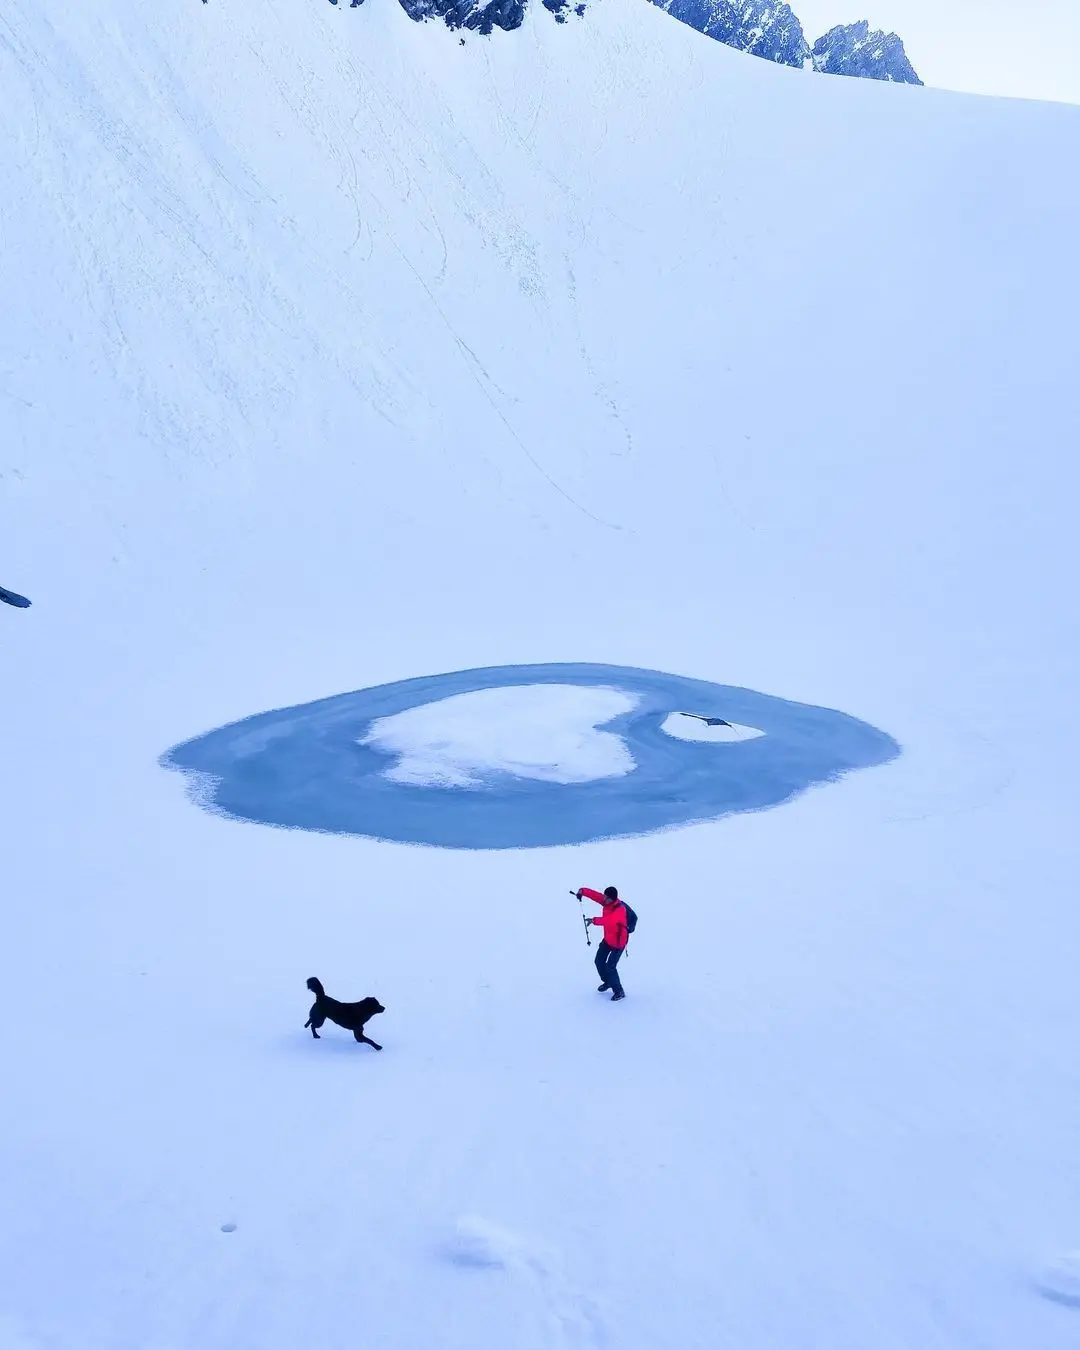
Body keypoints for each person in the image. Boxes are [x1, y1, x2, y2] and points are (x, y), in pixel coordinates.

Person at [577, 886, 628, 1001]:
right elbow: (595, 895)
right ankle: (608, 981)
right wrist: (582, 891)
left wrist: (593, 920)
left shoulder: (620, 910)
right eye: (604, 896)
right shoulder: (606, 901)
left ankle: (619, 991)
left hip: (619, 942)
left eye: (607, 897)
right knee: (599, 961)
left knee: (610, 967)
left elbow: (610, 920)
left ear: (613, 899)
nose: (604, 899)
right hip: (608, 939)